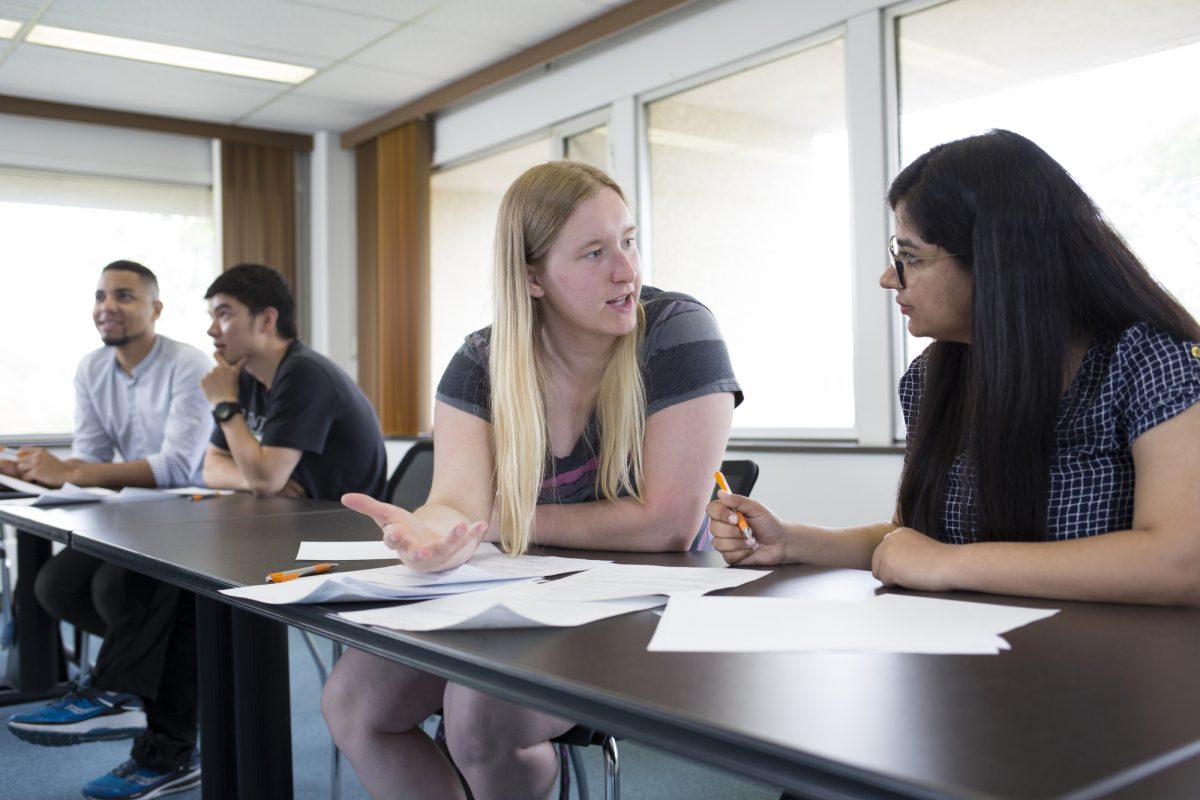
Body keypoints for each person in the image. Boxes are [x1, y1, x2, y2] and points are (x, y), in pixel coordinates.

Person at [321, 161, 742, 800]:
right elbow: (457, 502)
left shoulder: (678, 329)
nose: (627, 270)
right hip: (525, 593)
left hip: (647, 603)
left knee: (479, 712)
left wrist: (502, 523)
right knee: (350, 702)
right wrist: (433, 536)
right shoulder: (482, 360)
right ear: (532, 278)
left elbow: (667, 524)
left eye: (628, 240)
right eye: (595, 253)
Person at [709, 129, 1200, 607]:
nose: (888, 278)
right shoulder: (935, 374)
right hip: (980, 665)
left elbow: (1180, 562)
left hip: (1115, 672)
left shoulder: (1155, 361)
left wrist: (949, 563)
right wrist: (791, 542)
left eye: (910, 257)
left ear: (997, 263)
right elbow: (912, 543)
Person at [5, 260, 212, 798]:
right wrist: (35, 470)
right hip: (137, 511)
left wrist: (70, 470)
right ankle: (131, 689)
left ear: (155, 309)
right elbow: (94, 457)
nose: (107, 306)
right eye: (100, 295)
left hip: (199, 512)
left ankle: (129, 702)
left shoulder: (188, 365)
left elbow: (175, 468)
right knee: (56, 586)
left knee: (121, 592)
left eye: (124, 295)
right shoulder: (91, 369)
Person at [199, 262, 387, 502]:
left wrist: (225, 403)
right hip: (292, 517)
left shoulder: (305, 373)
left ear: (267, 320)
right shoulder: (244, 375)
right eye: (211, 317)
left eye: (224, 315)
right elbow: (212, 468)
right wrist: (252, 480)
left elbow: (266, 480)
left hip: (343, 526)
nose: (212, 330)